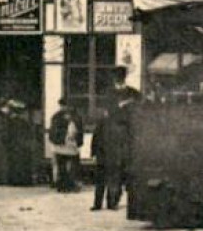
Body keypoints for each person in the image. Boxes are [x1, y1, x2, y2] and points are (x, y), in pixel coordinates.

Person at [93, 77, 139, 212]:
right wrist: (95, 152)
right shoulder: (103, 123)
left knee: (113, 180)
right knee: (104, 180)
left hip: (113, 155)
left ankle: (111, 203)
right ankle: (100, 203)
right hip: (104, 154)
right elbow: (96, 138)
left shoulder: (120, 126)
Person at [47, 98, 83, 192]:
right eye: (63, 106)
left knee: (72, 167)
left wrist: (78, 141)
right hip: (61, 145)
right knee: (62, 167)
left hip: (71, 145)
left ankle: (70, 184)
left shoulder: (75, 117)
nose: (65, 108)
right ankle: (62, 185)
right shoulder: (57, 117)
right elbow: (53, 131)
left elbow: (80, 130)